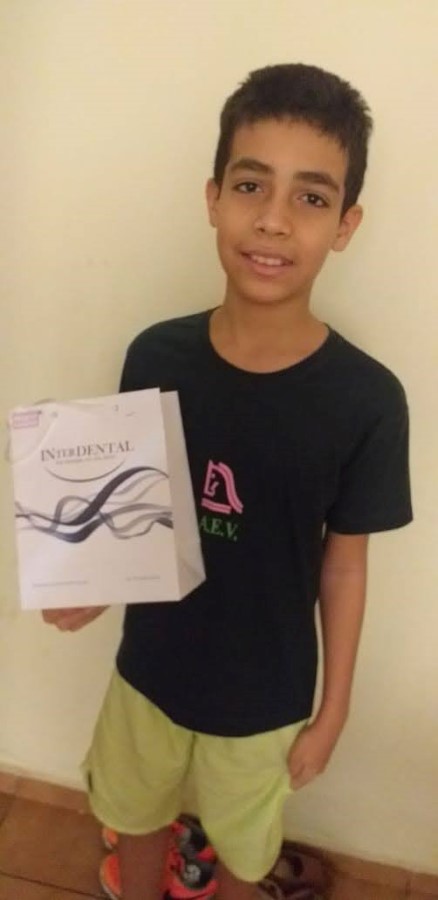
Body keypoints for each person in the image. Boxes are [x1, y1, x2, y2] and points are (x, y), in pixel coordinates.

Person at [43, 63, 412, 900]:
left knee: (246, 854)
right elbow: (129, 509)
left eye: (310, 197)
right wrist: (92, 580)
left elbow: (345, 565)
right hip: (149, 672)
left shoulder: (367, 400)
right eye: (251, 185)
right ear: (213, 198)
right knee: (134, 816)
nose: (273, 219)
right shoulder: (155, 355)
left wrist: (333, 710)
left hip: (267, 697)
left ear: (346, 224)